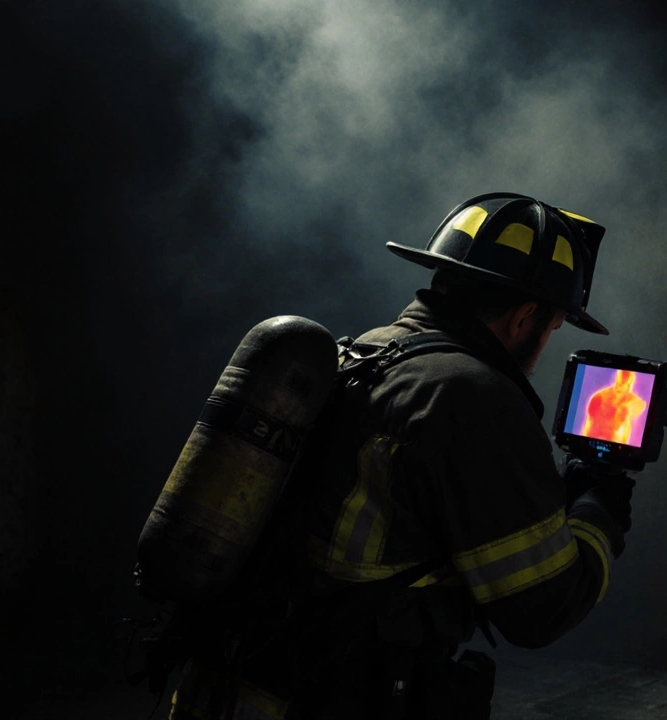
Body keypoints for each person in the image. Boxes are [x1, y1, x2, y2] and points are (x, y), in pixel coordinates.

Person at [167, 192, 635, 720]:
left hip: (224, 686)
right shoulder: (472, 399)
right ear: (525, 317)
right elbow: (542, 609)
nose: (546, 340)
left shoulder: (365, 351)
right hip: (320, 700)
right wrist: (599, 509)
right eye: (552, 327)